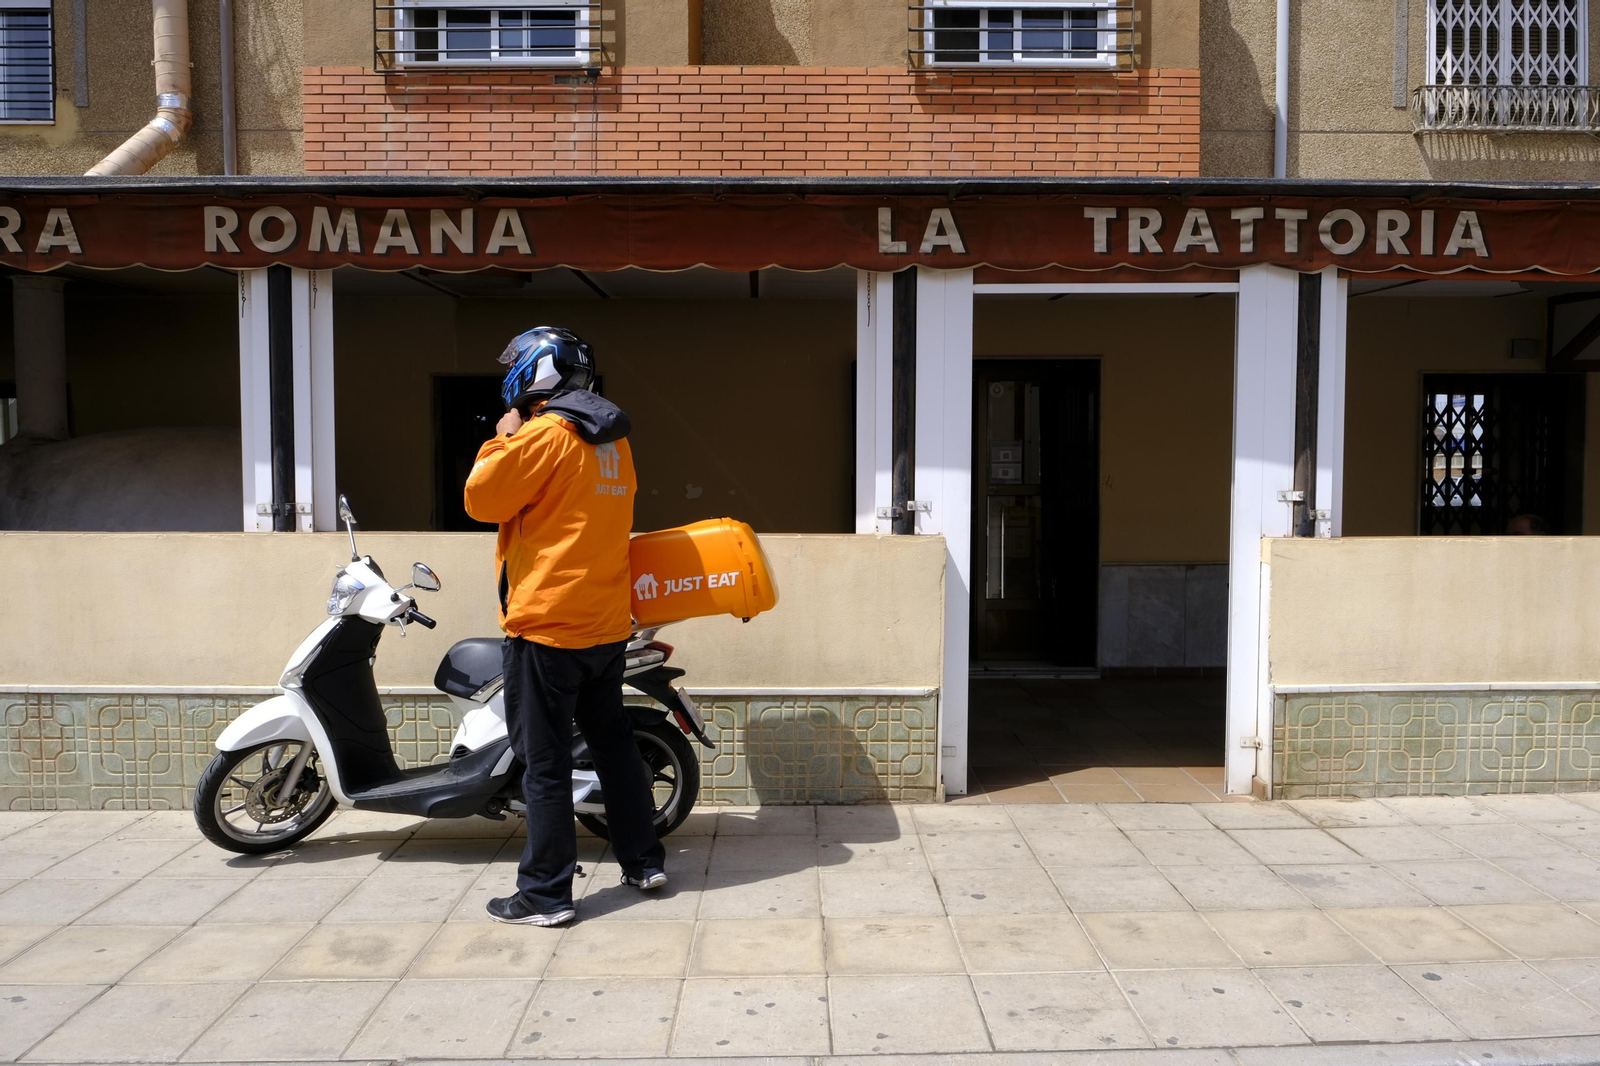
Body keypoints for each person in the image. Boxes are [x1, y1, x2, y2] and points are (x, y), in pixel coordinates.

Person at [464, 326, 666, 927]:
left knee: (545, 761)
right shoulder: (613, 440)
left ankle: (546, 895)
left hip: (547, 626)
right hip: (603, 624)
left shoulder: (544, 434)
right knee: (612, 745)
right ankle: (643, 860)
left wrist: (501, 440)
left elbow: (481, 500)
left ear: (535, 374)